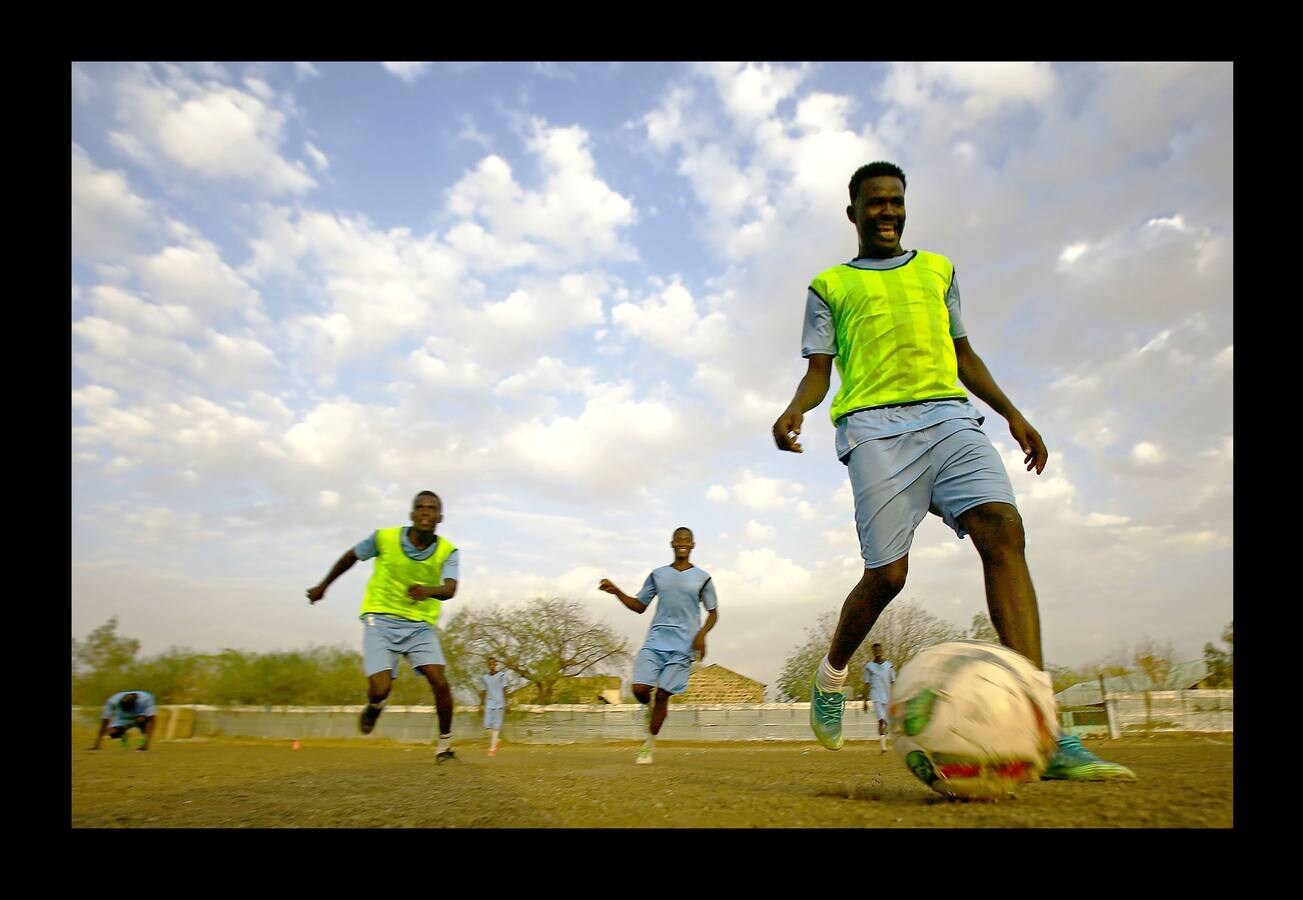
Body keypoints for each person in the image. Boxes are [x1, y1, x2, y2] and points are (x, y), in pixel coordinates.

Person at [771, 161, 1135, 781]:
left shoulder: (938, 270)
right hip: (874, 429)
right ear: (852, 212)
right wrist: (795, 409)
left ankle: (1044, 725)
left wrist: (1013, 413)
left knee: (1003, 530)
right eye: (875, 203)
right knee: (888, 576)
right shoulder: (828, 284)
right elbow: (818, 372)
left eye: (896, 201)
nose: (888, 212)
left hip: (949, 419)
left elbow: (963, 354)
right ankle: (832, 671)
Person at [307, 490, 460, 763]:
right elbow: (351, 556)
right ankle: (375, 705)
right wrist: (323, 586)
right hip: (380, 619)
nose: (426, 512)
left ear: (440, 517)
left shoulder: (448, 551)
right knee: (381, 688)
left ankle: (444, 746)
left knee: (439, 680)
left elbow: (450, 589)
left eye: (432, 509)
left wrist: (428, 590)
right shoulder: (384, 538)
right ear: (412, 514)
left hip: (419, 626)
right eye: (421, 507)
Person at [599, 526, 718, 765]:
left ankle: (648, 745)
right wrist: (617, 592)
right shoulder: (658, 575)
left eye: (687, 540)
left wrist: (701, 634)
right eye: (678, 539)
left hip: (683, 647)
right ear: (672, 544)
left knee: (663, 694)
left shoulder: (703, 578)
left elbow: (713, 613)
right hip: (655, 642)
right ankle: (649, 706)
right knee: (640, 690)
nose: (683, 543)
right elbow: (639, 605)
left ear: (693, 545)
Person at [90, 690, 157, 751]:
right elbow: (105, 722)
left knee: (142, 721)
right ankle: (123, 734)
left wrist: (146, 744)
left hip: (138, 715)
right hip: (122, 717)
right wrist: (97, 744)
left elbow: (152, 720)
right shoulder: (112, 701)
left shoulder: (146, 699)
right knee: (113, 733)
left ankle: (142, 742)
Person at [861, 643, 894, 753]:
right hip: (876, 696)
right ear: (873, 652)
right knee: (881, 719)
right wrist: (865, 701)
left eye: (879, 650)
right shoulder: (869, 667)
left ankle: (885, 737)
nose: (877, 652)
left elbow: (893, 681)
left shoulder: (889, 666)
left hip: (888, 696)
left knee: (888, 722)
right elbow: (866, 683)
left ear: (881, 650)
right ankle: (883, 747)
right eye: (875, 651)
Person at [479, 656, 510, 757]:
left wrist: (507, 703)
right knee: (487, 725)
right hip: (489, 703)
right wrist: (481, 704)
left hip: (499, 703)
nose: (491, 665)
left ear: (496, 664)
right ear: (488, 665)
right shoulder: (484, 678)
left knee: (496, 727)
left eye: (493, 663)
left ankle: (492, 748)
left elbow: (505, 689)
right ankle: (496, 740)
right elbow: (483, 691)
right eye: (489, 664)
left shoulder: (502, 676)